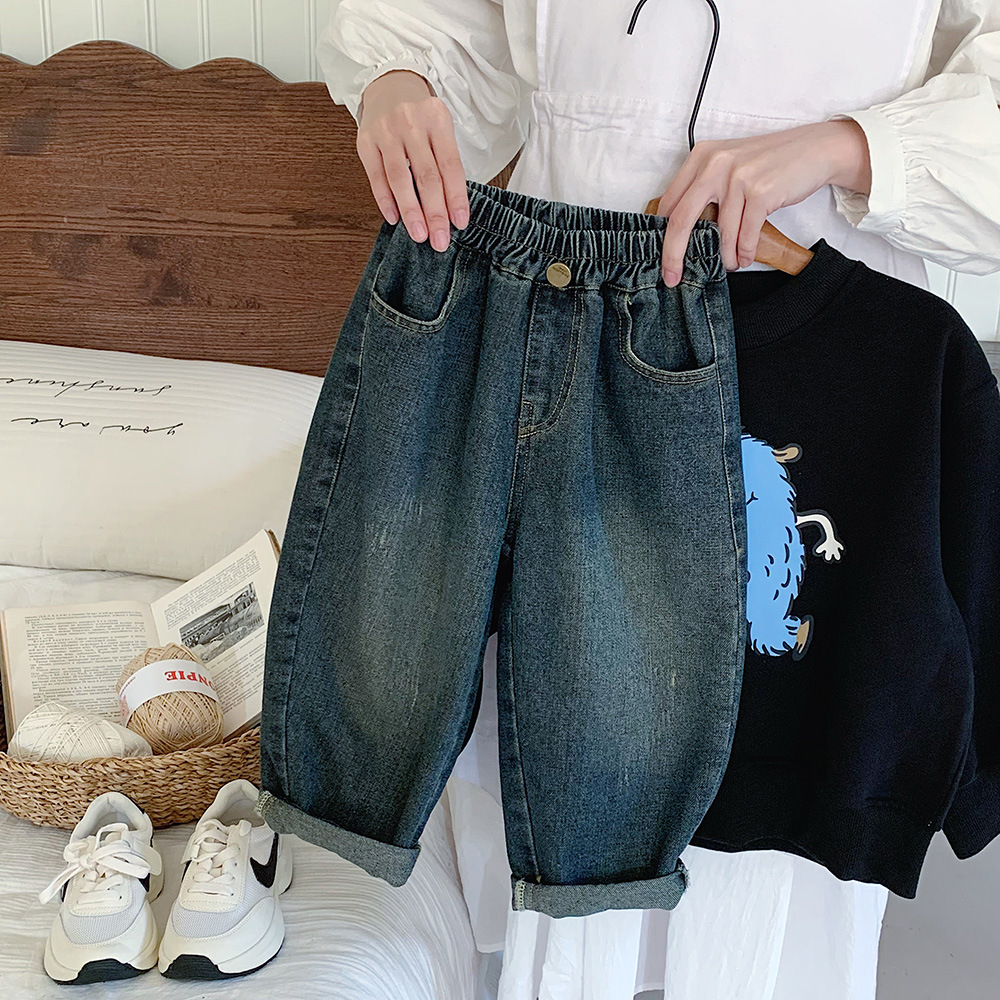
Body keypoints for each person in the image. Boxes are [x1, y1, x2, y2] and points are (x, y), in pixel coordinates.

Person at [308, 2, 1000, 997]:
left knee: (773, 863)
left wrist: (845, 147)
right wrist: (398, 81)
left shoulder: (912, 359)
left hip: (824, 334)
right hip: (562, 328)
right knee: (572, 803)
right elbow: (440, 30)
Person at [319, 0, 1000, 290]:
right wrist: (397, 76)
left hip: (834, 306)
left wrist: (845, 148)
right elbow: (431, 18)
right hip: (563, 289)